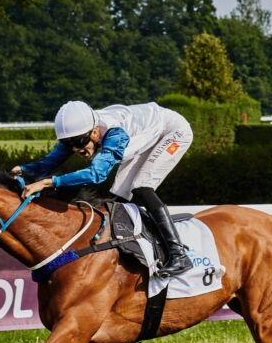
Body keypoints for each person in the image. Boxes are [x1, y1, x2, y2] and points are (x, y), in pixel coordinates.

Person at [13, 100, 194, 275]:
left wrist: (48, 182)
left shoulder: (115, 135)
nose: (76, 149)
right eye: (69, 145)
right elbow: (50, 162)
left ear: (94, 132)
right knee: (120, 195)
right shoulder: (78, 134)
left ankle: (178, 254)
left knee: (141, 186)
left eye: (79, 143)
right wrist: (23, 170)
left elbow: (96, 174)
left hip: (172, 132)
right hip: (146, 134)